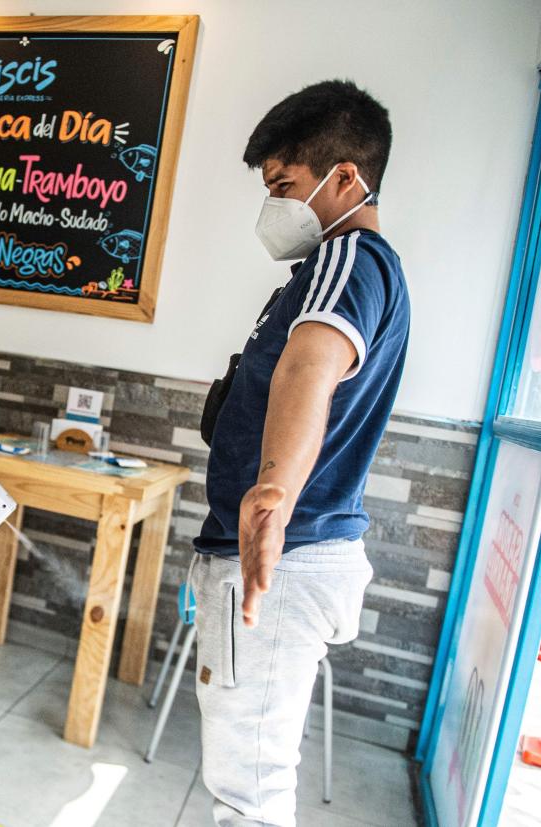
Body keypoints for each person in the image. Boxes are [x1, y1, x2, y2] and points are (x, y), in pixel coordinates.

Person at [191, 80, 410, 826]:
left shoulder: (351, 259)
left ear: (346, 176)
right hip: (276, 548)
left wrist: (274, 493)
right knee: (242, 778)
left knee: (247, 792)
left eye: (284, 186)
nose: (273, 207)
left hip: (283, 553)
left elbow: (309, 365)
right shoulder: (323, 269)